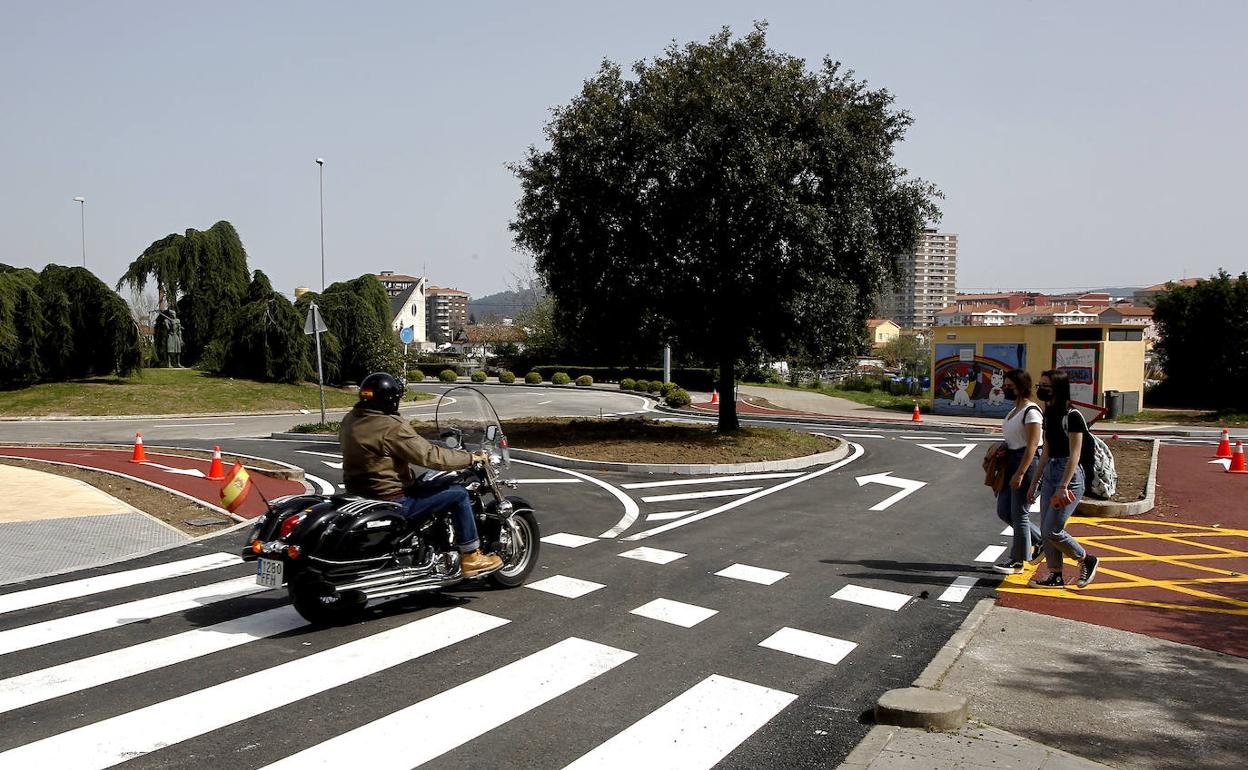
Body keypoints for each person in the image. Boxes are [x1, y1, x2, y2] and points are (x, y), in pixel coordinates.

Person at [339, 372, 503, 577]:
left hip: (361, 494)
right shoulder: (390, 426)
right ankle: (471, 556)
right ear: (391, 400)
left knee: (427, 484)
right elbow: (429, 456)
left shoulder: (350, 420)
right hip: (393, 498)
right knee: (459, 493)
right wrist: (469, 458)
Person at [1026, 370, 1099, 589]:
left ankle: (1086, 559)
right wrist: (1034, 483)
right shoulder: (1049, 413)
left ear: (1058, 388)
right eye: (1041, 384)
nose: (1041, 388)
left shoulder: (1073, 415)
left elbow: (1075, 454)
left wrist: (1063, 486)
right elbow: (1046, 451)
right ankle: (1055, 575)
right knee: (1047, 527)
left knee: (1052, 530)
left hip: (1070, 474)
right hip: (1051, 471)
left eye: (1046, 385)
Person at [990, 369, 1045, 575]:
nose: (1005, 389)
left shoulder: (1031, 412)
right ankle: (1039, 541)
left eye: (1009, 387)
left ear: (1022, 387)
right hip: (1011, 461)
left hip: (1026, 463)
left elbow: (1032, 445)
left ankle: (1017, 560)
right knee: (1004, 511)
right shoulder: (1014, 410)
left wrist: (1021, 473)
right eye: (1005, 386)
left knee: (1019, 513)